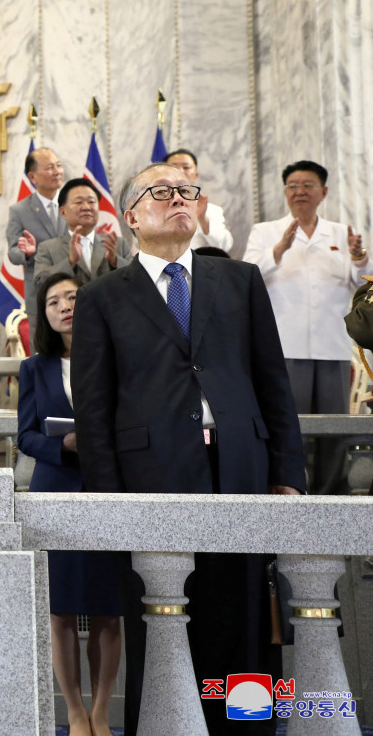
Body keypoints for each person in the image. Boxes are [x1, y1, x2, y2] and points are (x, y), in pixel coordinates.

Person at [72, 162, 305, 736]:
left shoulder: (240, 280)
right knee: (165, 618)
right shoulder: (103, 297)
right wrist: (108, 500)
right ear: (131, 216)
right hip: (149, 476)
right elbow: (94, 408)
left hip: (240, 469)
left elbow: (272, 382)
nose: (179, 199)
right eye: (162, 192)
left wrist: (288, 472)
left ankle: (245, 728)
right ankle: (165, 727)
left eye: (187, 192)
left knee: (243, 617)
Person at [17, 273, 122, 736]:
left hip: (107, 490)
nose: (64, 306)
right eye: (53, 301)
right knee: (59, 609)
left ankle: (101, 712)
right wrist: (64, 447)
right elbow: (25, 436)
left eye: (73, 297)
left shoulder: (115, 359)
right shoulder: (35, 368)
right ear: (44, 315)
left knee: (107, 605)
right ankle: (75, 714)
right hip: (55, 490)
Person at [244, 160, 370, 495]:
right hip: (285, 346)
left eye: (308, 185)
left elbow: (360, 284)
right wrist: (280, 249)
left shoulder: (342, 232)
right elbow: (248, 276)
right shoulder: (265, 231)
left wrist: (359, 258)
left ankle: (330, 496)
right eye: (293, 186)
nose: (300, 192)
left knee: (335, 428)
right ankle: (291, 492)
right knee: (289, 427)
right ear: (285, 192)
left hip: (332, 346)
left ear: (323, 192)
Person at [7, 148, 69, 347]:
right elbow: (13, 252)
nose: (57, 171)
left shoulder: (73, 203)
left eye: (58, 165)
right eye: (50, 167)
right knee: (43, 350)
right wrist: (26, 254)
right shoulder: (20, 210)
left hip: (75, 287)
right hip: (40, 292)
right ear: (32, 176)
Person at [33, 178, 131, 288]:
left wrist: (115, 261)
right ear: (63, 212)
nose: (86, 207)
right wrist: (70, 262)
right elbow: (39, 283)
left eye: (91, 202)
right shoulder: (48, 248)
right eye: (79, 202)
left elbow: (137, 279)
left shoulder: (119, 244)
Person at [163, 149, 234, 253]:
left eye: (186, 167)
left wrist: (202, 219)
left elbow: (224, 246)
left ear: (195, 176)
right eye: (174, 167)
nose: (181, 171)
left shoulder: (212, 210)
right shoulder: (153, 207)